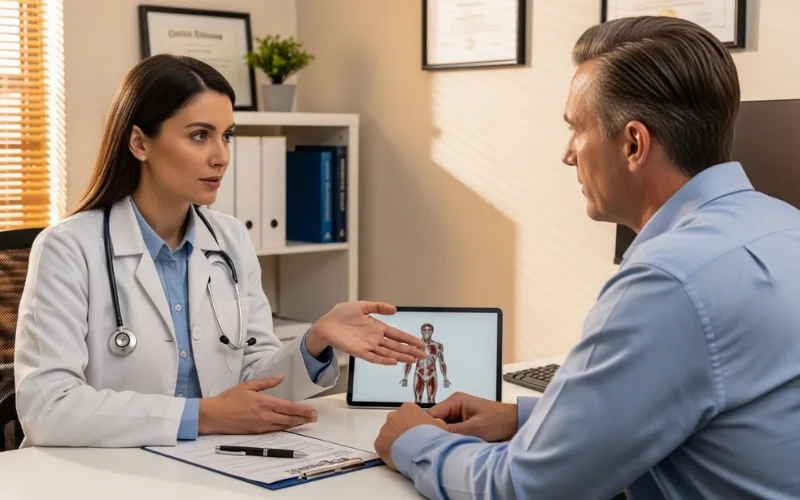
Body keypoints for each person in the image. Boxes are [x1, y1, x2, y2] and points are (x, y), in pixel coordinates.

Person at [374, 16, 800, 499]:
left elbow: (524, 489)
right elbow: (713, 408)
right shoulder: (784, 226)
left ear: (634, 144)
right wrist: (522, 416)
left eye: (576, 129)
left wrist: (413, 441)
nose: (567, 153)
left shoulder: (668, 281)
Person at [14, 54, 426, 449]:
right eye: (199, 135)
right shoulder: (68, 248)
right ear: (139, 142)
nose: (222, 156)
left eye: (226, 135)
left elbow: (256, 377)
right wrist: (203, 415)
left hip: (207, 460)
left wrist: (315, 341)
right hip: (96, 470)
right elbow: (48, 406)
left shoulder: (229, 239)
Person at [399, 323, 450, 404]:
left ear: (432, 331)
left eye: (429, 330)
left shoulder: (438, 346)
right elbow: (409, 362)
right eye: (424, 330)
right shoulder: (415, 345)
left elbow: (442, 363)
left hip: (432, 374)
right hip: (419, 373)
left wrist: (445, 377)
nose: (427, 332)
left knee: (431, 400)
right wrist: (405, 377)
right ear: (421, 331)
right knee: (418, 399)